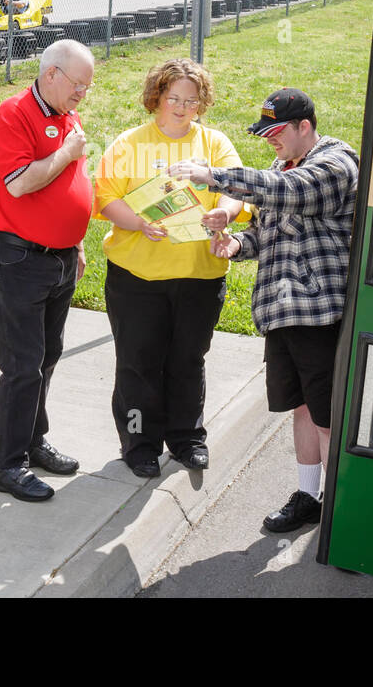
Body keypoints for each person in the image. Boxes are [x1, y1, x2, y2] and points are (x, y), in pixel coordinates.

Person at [170, 88, 357, 533]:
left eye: (276, 133)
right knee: (303, 409)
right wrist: (235, 243)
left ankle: (344, 509)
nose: (270, 142)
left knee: (328, 415)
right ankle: (310, 497)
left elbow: (289, 192)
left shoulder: (334, 165)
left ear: (304, 127)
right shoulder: (280, 166)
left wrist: (212, 176)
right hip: (283, 311)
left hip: (319, 312)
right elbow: (264, 229)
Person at [95, 59, 245, 478]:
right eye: (173, 98)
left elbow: (235, 190)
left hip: (199, 275)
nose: (180, 108)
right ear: (157, 96)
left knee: (188, 360)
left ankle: (186, 438)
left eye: (190, 101)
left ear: (202, 103)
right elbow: (107, 199)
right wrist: (140, 222)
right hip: (137, 276)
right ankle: (140, 442)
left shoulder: (214, 143)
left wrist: (225, 216)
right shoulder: (129, 143)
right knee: (138, 362)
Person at [0, 39, 94, 502]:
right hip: (23, 257)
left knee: (49, 356)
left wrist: (78, 241)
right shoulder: (12, 115)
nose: (82, 95)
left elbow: (73, 185)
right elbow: (19, 183)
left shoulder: (66, 117)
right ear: (51, 74)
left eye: (87, 87)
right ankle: (6, 464)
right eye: (77, 85)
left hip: (62, 257)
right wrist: (68, 153)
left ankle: (33, 440)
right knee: (22, 364)